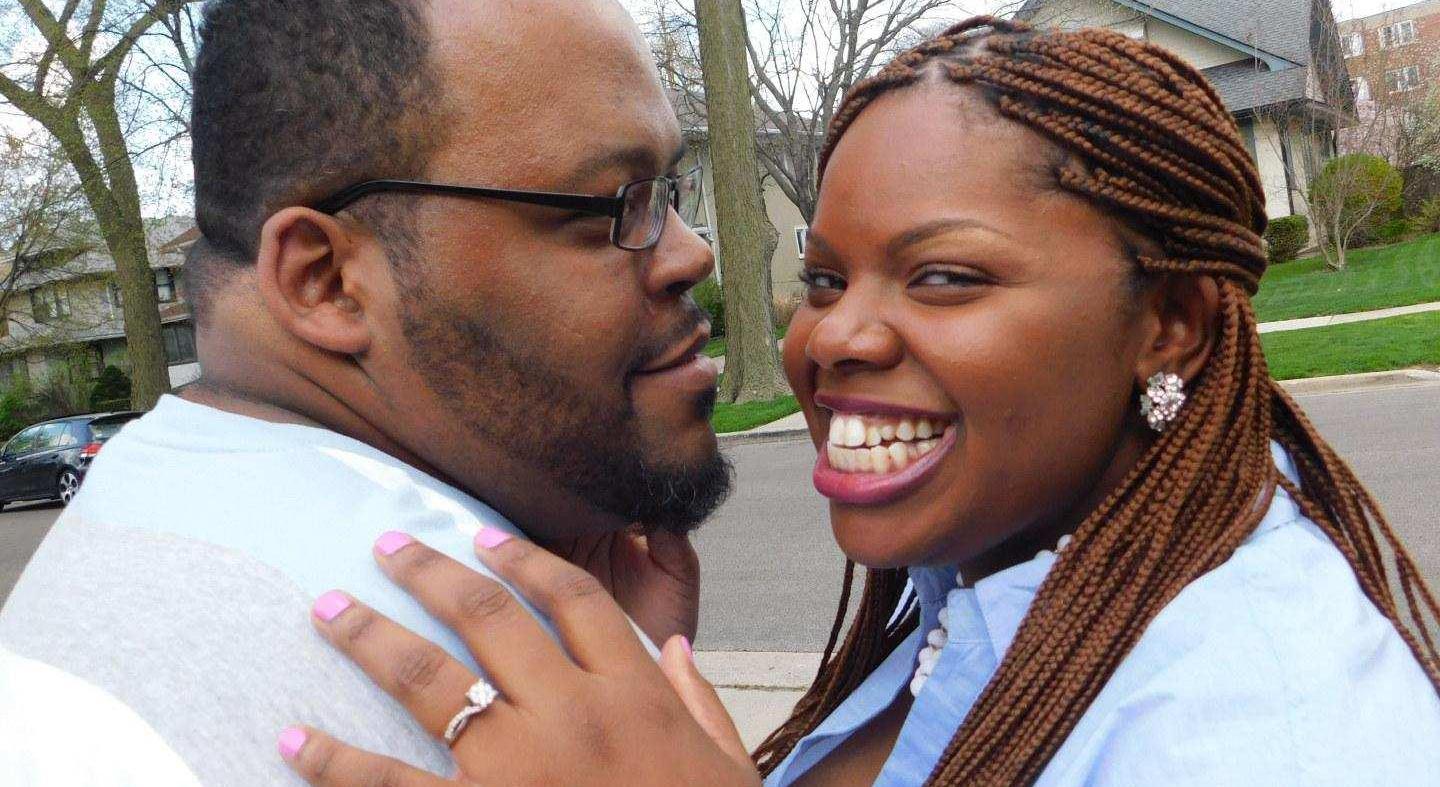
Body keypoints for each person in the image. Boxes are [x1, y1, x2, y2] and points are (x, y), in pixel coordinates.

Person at [273, 17, 1440, 787]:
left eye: (944, 277)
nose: (832, 336)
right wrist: (649, 678)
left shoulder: (1272, 735)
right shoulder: (987, 581)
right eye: (827, 278)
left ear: (1168, 321)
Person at [0, 0, 729, 783]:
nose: (692, 254)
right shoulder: (451, 666)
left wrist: (646, 668)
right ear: (326, 280)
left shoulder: (122, 518)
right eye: (616, 203)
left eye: (669, 190)